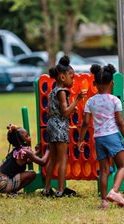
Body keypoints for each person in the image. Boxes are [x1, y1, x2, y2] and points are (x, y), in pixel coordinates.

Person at [78, 64, 124, 209]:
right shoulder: (115, 100)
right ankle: (114, 191)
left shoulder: (90, 101)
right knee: (123, 165)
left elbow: (85, 123)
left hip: (99, 138)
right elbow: (120, 121)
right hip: (112, 136)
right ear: (112, 83)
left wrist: (80, 140)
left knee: (104, 171)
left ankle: (104, 201)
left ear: (94, 84)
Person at [42, 55, 86, 198]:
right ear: (62, 77)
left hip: (51, 125)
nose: (73, 80)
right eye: (71, 77)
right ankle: (61, 190)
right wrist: (77, 100)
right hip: (60, 126)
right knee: (62, 159)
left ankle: (47, 188)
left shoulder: (53, 91)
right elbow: (66, 112)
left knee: (53, 158)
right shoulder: (63, 91)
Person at [0, 124, 50, 197]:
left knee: (30, 173)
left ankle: (12, 191)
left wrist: (37, 152)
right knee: (32, 174)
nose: (30, 138)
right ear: (21, 140)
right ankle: (12, 192)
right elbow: (42, 162)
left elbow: (28, 160)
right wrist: (48, 149)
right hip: (3, 183)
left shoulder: (18, 151)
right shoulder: (25, 152)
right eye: (27, 136)